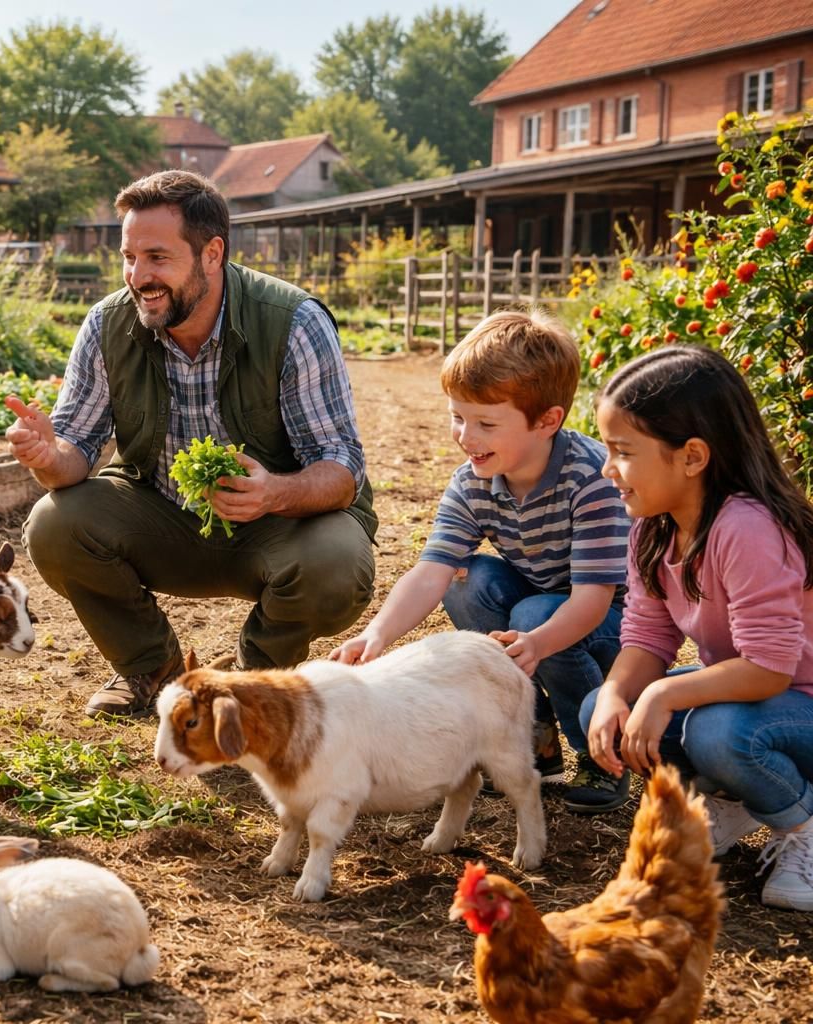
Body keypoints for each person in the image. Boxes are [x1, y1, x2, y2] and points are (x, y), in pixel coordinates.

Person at [7, 169, 376, 718]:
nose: (138, 276)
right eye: (129, 257)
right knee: (53, 522)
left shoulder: (293, 321)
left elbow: (342, 468)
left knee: (338, 562)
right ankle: (152, 670)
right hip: (163, 521)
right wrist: (47, 457)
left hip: (276, 528)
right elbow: (75, 455)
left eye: (157, 257)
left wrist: (272, 492)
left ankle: (252, 681)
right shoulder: (108, 324)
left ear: (211, 253)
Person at [331, 310, 631, 808]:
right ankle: (535, 736)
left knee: (535, 615)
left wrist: (536, 641)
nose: (465, 437)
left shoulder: (590, 480)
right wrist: (378, 633)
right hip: (539, 606)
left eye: (486, 423)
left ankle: (600, 753)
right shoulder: (474, 481)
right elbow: (431, 570)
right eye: (458, 417)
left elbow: (594, 600)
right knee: (466, 581)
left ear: (547, 421)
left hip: (608, 623)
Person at [581, 345, 813, 911]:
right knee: (602, 709)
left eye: (622, 452)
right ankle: (732, 799)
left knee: (718, 732)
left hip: (795, 700)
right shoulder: (654, 529)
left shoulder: (748, 529)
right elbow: (647, 635)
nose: (606, 468)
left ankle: (803, 829)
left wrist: (663, 692)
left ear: (691, 457)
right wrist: (617, 693)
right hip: (763, 702)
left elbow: (769, 667)